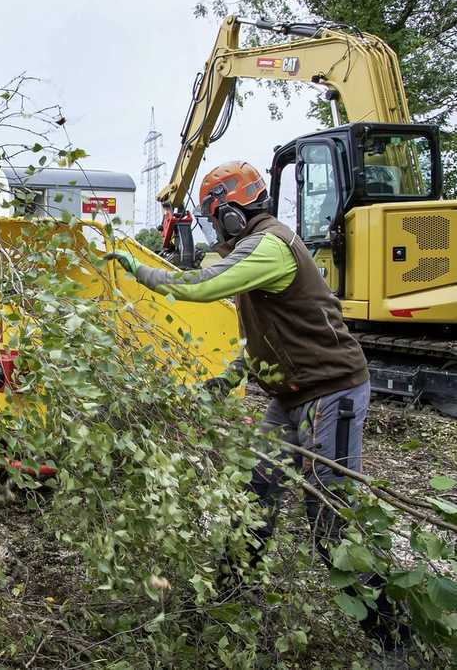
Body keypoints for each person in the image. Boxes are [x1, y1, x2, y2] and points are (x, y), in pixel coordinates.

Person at [107, 161, 405, 649]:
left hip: (331, 389)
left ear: (230, 212)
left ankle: (393, 638)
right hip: (288, 397)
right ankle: (227, 600)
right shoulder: (254, 251)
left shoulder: (271, 244)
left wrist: (142, 272)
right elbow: (264, 335)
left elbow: (199, 287)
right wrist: (226, 380)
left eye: (212, 215)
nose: (212, 227)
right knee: (256, 499)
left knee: (330, 516)